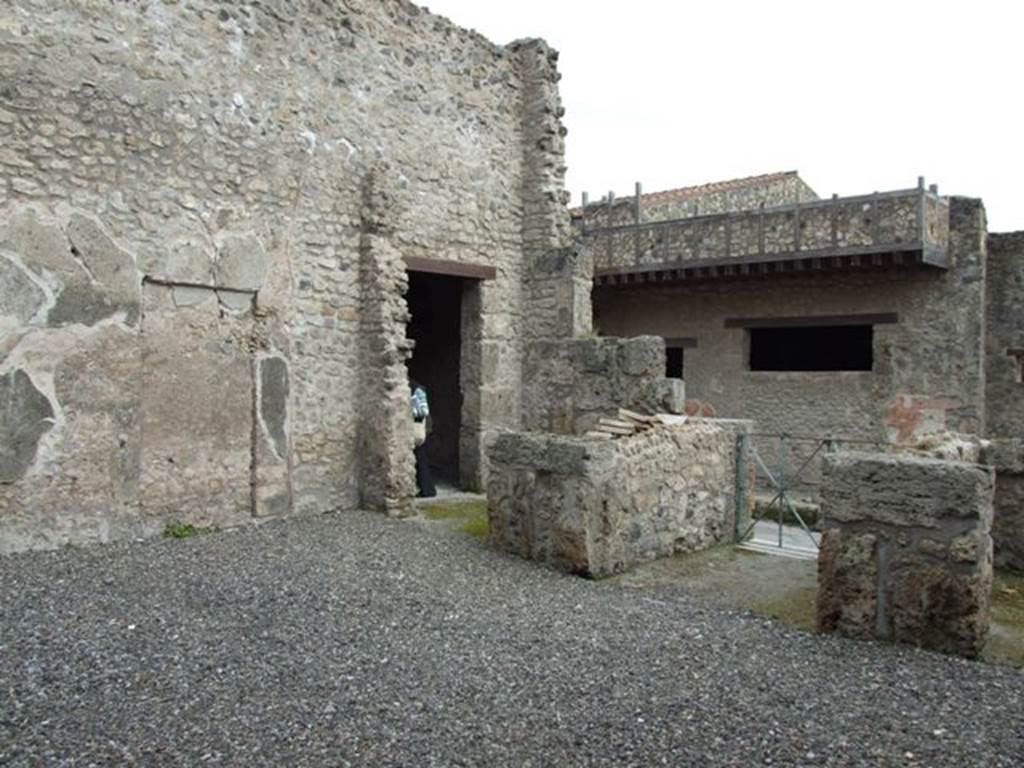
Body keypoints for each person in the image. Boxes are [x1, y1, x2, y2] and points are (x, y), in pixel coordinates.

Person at [410, 378, 436, 498]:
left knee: (420, 459)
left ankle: (427, 489)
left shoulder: (414, 389)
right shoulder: (418, 388)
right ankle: (426, 488)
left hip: (417, 428)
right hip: (422, 427)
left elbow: (419, 412)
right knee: (421, 458)